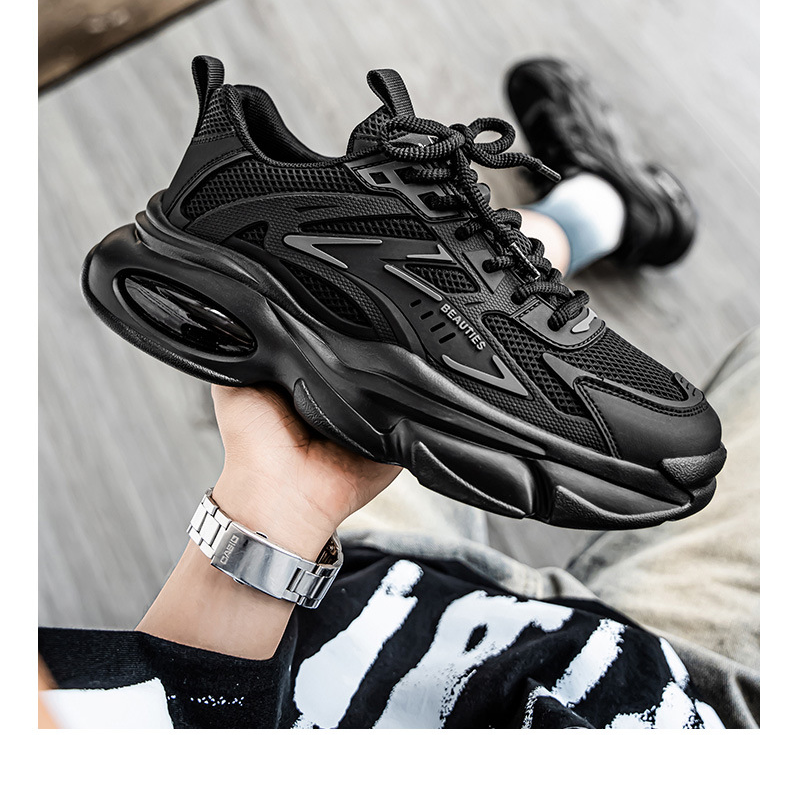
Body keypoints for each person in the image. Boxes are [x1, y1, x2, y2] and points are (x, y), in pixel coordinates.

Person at [38, 61, 758, 729]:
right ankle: (596, 207)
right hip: (675, 696)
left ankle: (588, 209)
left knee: (474, 277)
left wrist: (274, 510)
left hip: (355, 607)